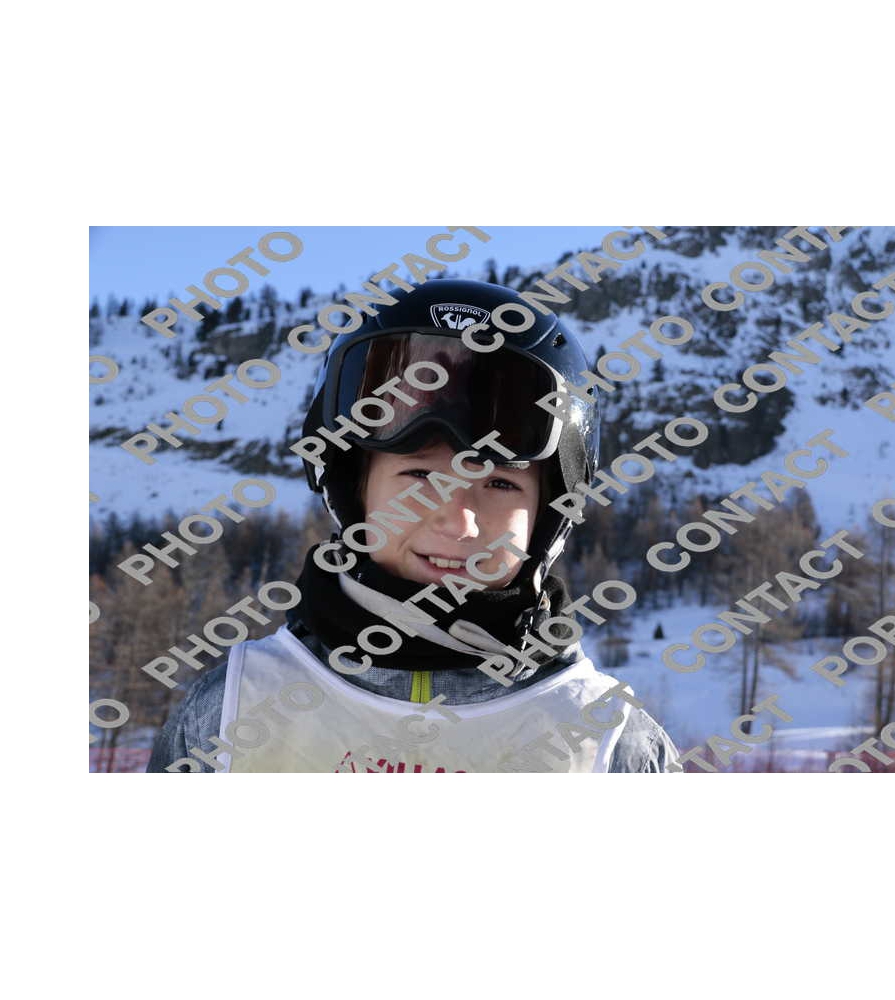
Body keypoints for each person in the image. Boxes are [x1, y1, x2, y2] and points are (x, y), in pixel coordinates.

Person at [147, 279, 680, 773]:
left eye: (500, 483)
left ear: (550, 514)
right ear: (353, 492)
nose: (458, 521)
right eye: (420, 475)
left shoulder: (609, 741)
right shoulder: (233, 707)